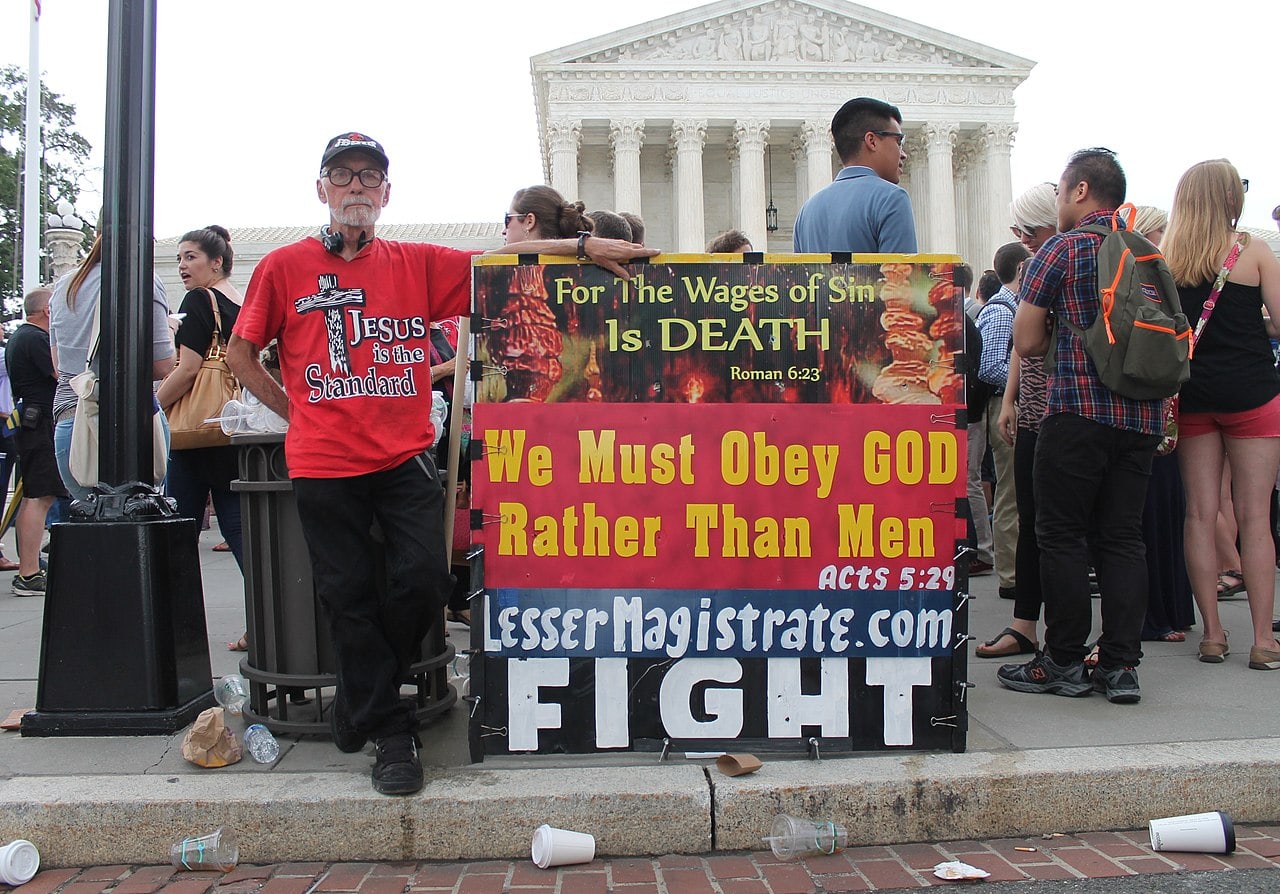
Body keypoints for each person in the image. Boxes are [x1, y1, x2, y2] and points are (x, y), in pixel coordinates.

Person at [227, 132, 655, 797]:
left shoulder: (413, 262)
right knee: (347, 596)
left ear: (387, 193)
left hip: (402, 458)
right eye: (342, 175)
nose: (357, 187)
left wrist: (579, 246)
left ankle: (359, 701)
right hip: (323, 464)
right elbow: (241, 354)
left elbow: (501, 259)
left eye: (371, 177)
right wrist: (295, 412)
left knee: (425, 580)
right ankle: (392, 733)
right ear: (322, 189)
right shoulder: (283, 267)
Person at [1001, 148, 1162, 704]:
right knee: (1122, 538)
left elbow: (1025, 340)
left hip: (1076, 412)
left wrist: (1062, 342)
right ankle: (1120, 666)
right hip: (1140, 415)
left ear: (1081, 191)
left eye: (1064, 189)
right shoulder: (1145, 252)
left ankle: (1063, 660)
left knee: (1060, 535)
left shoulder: (1062, 249)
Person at [1162, 159, 1280, 669]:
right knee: (1254, 519)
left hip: (1191, 397)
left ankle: (1211, 632)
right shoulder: (1254, 251)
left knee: (1199, 513)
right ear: (1231, 197)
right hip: (1252, 393)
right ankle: (1262, 639)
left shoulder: (1166, 255)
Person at [155, 225, 248, 649]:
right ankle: (267, 622)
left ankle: (173, 629)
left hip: (193, 436)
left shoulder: (198, 300)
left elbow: (188, 369)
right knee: (241, 532)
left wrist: (152, 409)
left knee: (180, 531)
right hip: (228, 431)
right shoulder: (239, 303)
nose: (182, 267)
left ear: (217, 261)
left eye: (190, 257)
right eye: (179, 258)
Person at [49, 234, 176, 502]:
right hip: (132, 423)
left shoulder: (64, 286)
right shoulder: (144, 281)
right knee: (138, 522)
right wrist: (170, 328)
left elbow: (59, 366)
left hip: (71, 420)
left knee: (88, 526)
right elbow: (162, 365)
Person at [1122, 207, 1195, 644]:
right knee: (1154, 516)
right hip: (1154, 408)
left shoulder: (1149, 275)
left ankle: (1165, 611)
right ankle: (1163, 612)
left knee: (1162, 513)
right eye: (1156, 232)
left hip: (1153, 407)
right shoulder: (1149, 276)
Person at [973, 242, 1032, 603]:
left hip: (1006, 404)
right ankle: (1010, 575)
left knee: (1016, 490)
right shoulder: (1002, 311)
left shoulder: (1012, 308)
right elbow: (991, 365)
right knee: (1009, 493)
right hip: (1002, 406)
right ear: (1022, 268)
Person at [792, 97, 915, 253]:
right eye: (898, 141)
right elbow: (901, 275)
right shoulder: (892, 199)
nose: (903, 153)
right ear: (872, 141)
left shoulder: (806, 212)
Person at [5, 288, 67, 595]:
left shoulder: (21, 337)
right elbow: (62, 373)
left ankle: (29, 567)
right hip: (40, 421)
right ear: (47, 312)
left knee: (37, 494)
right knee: (39, 496)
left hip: (32, 419)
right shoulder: (36, 339)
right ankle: (28, 573)